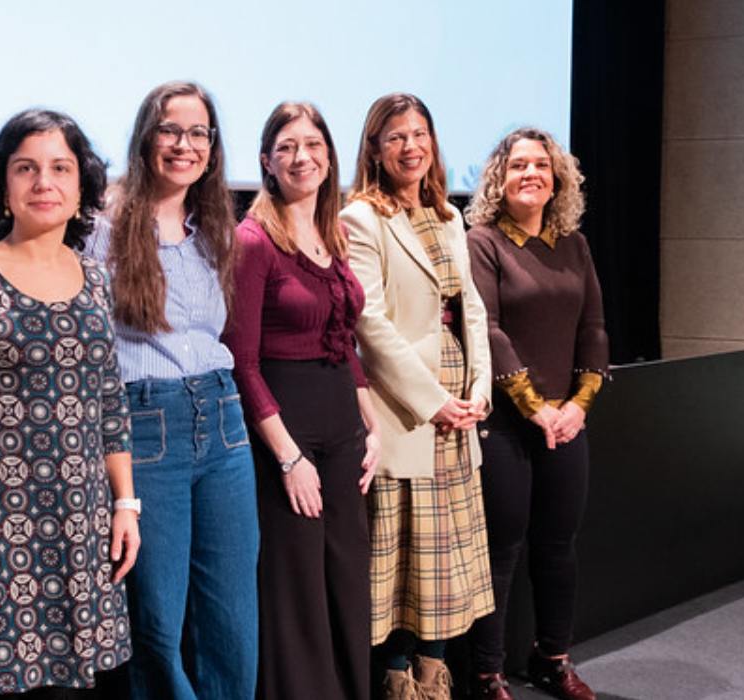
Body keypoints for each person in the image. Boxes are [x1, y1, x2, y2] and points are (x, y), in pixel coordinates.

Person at [0, 109, 139, 697]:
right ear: (3, 187)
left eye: (60, 169)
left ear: (81, 189)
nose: (44, 182)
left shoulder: (96, 279)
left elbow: (108, 402)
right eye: (26, 168)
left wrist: (127, 505)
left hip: (84, 523)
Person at [81, 81, 258, 700]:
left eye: (198, 133)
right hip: (148, 424)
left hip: (223, 417)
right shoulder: (103, 231)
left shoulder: (213, 229)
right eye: (170, 130)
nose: (185, 144)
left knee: (234, 621)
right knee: (156, 622)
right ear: (146, 138)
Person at [222, 102, 381, 700]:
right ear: (266, 161)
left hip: (343, 428)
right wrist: (289, 458)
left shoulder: (332, 234)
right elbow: (241, 360)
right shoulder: (253, 241)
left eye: (312, 144)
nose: (301, 156)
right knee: (297, 593)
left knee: (344, 579)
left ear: (329, 156)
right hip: (284, 432)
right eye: (286, 146)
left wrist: (372, 423)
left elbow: (343, 339)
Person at [339, 93, 495, 700]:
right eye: (396, 136)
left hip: (459, 409)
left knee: (448, 558)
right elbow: (369, 323)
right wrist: (433, 401)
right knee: (408, 560)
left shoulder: (450, 215)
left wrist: (480, 387)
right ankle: (399, 678)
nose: (411, 146)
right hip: (409, 410)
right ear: (375, 149)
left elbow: (471, 310)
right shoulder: (360, 218)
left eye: (419, 133)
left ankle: (436, 675)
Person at [465, 127, 606, 700]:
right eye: (518, 165)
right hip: (503, 423)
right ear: (500, 176)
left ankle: (553, 658)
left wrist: (577, 405)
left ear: (557, 179)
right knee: (502, 548)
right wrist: (532, 407)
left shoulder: (573, 244)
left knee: (558, 545)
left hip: (565, 422)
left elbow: (593, 327)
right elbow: (489, 328)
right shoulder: (482, 241)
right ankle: (488, 673)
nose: (531, 174)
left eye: (541, 166)